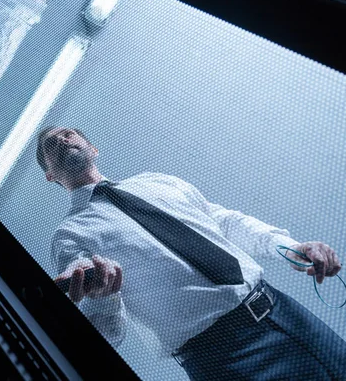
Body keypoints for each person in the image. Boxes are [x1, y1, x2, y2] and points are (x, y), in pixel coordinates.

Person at [35, 125, 346, 380]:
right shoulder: (69, 236)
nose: (62, 138)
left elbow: (225, 223)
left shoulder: (156, 181)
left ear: (94, 149)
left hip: (285, 314)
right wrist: (103, 297)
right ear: (50, 175)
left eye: (69, 133)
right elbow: (107, 335)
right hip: (224, 362)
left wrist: (292, 249)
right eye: (50, 144)